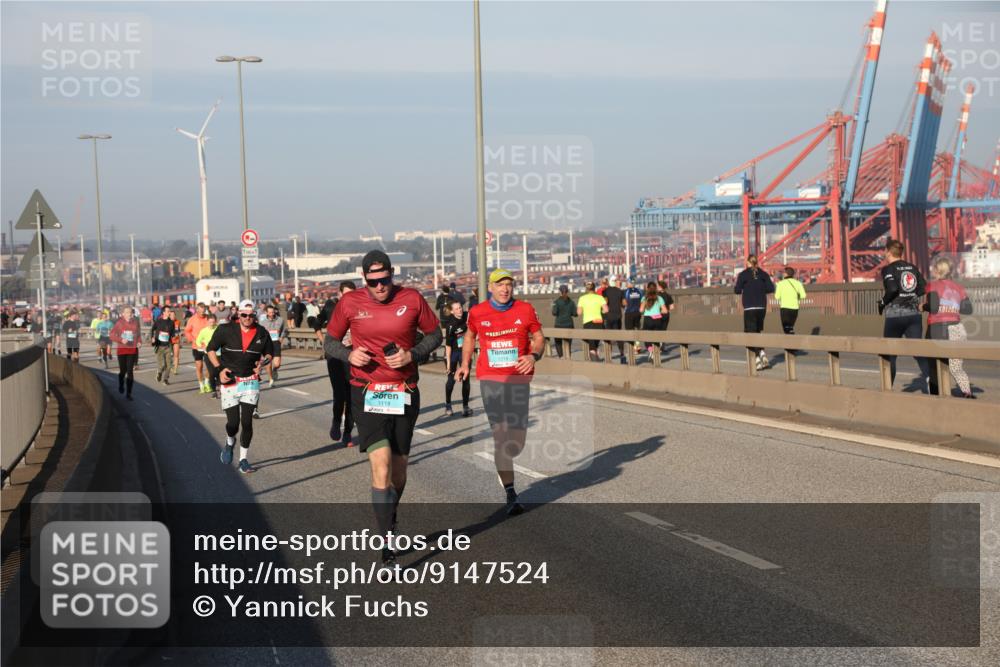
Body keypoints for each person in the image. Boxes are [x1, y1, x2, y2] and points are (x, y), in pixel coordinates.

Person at [324, 250, 442, 566]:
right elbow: (329, 342)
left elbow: (436, 334)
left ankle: (391, 513)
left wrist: (411, 355)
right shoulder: (349, 303)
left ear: (392, 273)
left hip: (404, 390)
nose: (379, 287)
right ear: (365, 279)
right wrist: (348, 355)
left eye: (384, 279)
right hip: (367, 392)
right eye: (373, 281)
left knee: (400, 472)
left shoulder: (413, 299)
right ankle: (386, 542)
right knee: (381, 465)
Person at [455, 268, 545, 517]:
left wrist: (533, 355)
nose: (505, 289)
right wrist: (465, 364)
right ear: (490, 287)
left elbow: (538, 337)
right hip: (491, 379)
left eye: (509, 284)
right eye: (500, 284)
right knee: (501, 436)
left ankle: (505, 459)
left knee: (516, 443)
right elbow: (470, 336)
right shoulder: (477, 312)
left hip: (518, 381)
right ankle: (511, 493)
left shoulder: (525, 309)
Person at [206, 300, 274, 473]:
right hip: (230, 381)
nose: (247, 318)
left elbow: (269, 353)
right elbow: (211, 349)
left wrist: (263, 363)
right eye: (244, 315)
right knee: (233, 424)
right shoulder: (225, 329)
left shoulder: (261, 332)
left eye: (251, 316)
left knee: (247, 422)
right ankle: (230, 443)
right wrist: (219, 369)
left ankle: (243, 459)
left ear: (255, 316)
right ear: (238, 314)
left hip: (250, 382)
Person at [878, 240, 930, 391]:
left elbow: (892, 289)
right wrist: (910, 295)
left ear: (888, 251)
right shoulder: (912, 267)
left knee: (890, 354)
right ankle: (931, 382)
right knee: (918, 351)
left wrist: (882, 302)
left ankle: (887, 389)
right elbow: (923, 287)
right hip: (914, 314)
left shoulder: (888, 269)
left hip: (895, 315)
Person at [924, 256, 973, 398]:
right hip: (957, 328)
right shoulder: (959, 287)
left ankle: (937, 397)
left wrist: (922, 306)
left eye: (934, 268)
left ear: (938, 271)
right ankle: (967, 392)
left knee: (934, 366)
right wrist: (952, 306)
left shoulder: (932, 286)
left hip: (937, 328)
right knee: (956, 366)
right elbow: (968, 310)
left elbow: (933, 307)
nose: (932, 270)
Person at [327, 281, 357, 446]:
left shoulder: (361, 311)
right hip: (335, 357)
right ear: (339, 295)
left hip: (353, 357)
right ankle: (336, 421)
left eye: (352, 294)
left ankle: (347, 433)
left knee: (352, 396)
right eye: (346, 294)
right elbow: (316, 322)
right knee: (340, 395)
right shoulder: (332, 309)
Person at [734, 255, 775, 371]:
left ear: (748, 263)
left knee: (750, 334)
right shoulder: (763, 274)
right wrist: (760, 289)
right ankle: (761, 352)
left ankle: (757, 359)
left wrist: (744, 288)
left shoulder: (743, 275)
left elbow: (737, 290)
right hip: (762, 307)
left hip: (749, 308)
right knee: (758, 331)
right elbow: (771, 288)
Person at [443, 300, 472, 417]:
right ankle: (448, 404)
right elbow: (448, 346)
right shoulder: (450, 325)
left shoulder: (467, 316)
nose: (459, 310)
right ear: (452, 311)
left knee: (466, 379)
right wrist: (449, 363)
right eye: (456, 309)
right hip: (453, 353)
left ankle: (465, 406)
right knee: (451, 380)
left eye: (460, 307)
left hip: (465, 352)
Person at [110, 307, 142, 400]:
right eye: (127, 312)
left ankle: (129, 393)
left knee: (130, 371)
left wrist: (139, 342)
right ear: (123, 314)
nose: (129, 314)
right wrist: (121, 339)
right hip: (122, 350)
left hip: (132, 350)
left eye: (130, 312)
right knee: (123, 371)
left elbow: (138, 335)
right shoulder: (119, 323)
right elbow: (112, 335)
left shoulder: (135, 323)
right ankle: (121, 384)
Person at [184, 303, 213, 393]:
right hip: (196, 346)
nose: (202, 313)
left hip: (207, 346)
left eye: (203, 311)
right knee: (199, 366)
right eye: (200, 311)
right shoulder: (192, 319)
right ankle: (201, 385)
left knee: (208, 366)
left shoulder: (208, 318)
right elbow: (187, 331)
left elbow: (212, 328)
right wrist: (191, 339)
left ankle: (207, 383)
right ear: (197, 310)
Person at [576, 281, 607, 361]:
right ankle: (597, 359)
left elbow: (579, 313)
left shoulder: (582, 298)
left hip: (588, 323)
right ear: (594, 288)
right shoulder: (600, 297)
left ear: (586, 289)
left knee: (592, 346)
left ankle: (595, 364)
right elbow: (606, 310)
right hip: (599, 323)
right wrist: (600, 312)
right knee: (595, 344)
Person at [258, 304, 286, 388]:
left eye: (273, 312)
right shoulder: (262, 322)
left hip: (276, 343)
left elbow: (284, 330)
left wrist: (281, 338)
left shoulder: (280, 320)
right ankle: (271, 379)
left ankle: (275, 370)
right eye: (270, 312)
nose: (272, 314)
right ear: (266, 312)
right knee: (268, 363)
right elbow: (260, 333)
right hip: (266, 344)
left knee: (277, 364)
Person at [774, 267, 807, 335]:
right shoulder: (798, 283)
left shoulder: (781, 284)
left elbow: (776, 297)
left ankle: (789, 343)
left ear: (786, 274)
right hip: (795, 308)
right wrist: (796, 298)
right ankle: (790, 341)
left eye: (783, 273)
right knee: (790, 327)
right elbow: (803, 296)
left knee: (786, 328)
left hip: (785, 308)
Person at [194, 313, 220, 397]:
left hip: (219, 354)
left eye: (213, 322)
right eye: (210, 322)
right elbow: (198, 341)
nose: (211, 324)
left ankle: (220, 386)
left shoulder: (219, 329)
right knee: (212, 372)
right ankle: (213, 391)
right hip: (208, 354)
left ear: (215, 321)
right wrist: (202, 345)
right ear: (207, 321)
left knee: (219, 371)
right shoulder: (204, 331)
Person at [641, 282, 669, 356]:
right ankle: (657, 349)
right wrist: (658, 311)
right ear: (656, 289)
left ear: (647, 289)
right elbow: (665, 311)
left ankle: (651, 350)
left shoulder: (644, 298)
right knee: (656, 337)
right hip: (657, 319)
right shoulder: (659, 298)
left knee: (645, 336)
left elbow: (641, 310)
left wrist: (645, 310)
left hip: (648, 319)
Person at [150, 306, 176, 385]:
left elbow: (172, 334)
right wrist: (152, 338)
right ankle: (159, 372)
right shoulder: (158, 321)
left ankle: (165, 379)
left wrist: (175, 336)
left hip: (168, 345)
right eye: (168, 311)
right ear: (163, 312)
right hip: (159, 345)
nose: (169, 313)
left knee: (169, 364)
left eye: (170, 311)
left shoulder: (171, 323)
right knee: (162, 365)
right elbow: (152, 329)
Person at [603, 278, 626, 363]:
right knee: (618, 336)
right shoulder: (620, 291)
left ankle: (608, 356)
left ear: (609, 282)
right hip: (617, 316)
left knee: (608, 336)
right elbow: (624, 303)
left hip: (608, 316)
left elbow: (605, 302)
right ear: (615, 282)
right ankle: (622, 354)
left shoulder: (605, 291)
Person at [551, 285, 576, 358]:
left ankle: (561, 357)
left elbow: (554, 313)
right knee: (568, 343)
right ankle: (568, 357)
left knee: (558, 343)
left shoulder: (556, 302)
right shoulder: (571, 302)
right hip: (569, 325)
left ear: (560, 292)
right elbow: (575, 314)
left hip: (559, 325)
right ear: (567, 292)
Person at [623, 279, 644, 353]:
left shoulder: (626, 291)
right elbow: (643, 301)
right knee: (637, 328)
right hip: (638, 312)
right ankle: (637, 345)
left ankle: (632, 348)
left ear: (629, 283)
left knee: (629, 330)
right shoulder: (640, 291)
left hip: (629, 313)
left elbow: (624, 303)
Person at [168, 308, 182, 375]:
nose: (173, 316)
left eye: (174, 315)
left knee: (176, 355)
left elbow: (178, 331)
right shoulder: (166, 322)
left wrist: (180, 340)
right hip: (168, 341)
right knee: (169, 355)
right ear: (169, 316)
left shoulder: (178, 322)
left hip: (176, 340)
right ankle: (170, 366)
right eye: (171, 315)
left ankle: (175, 370)